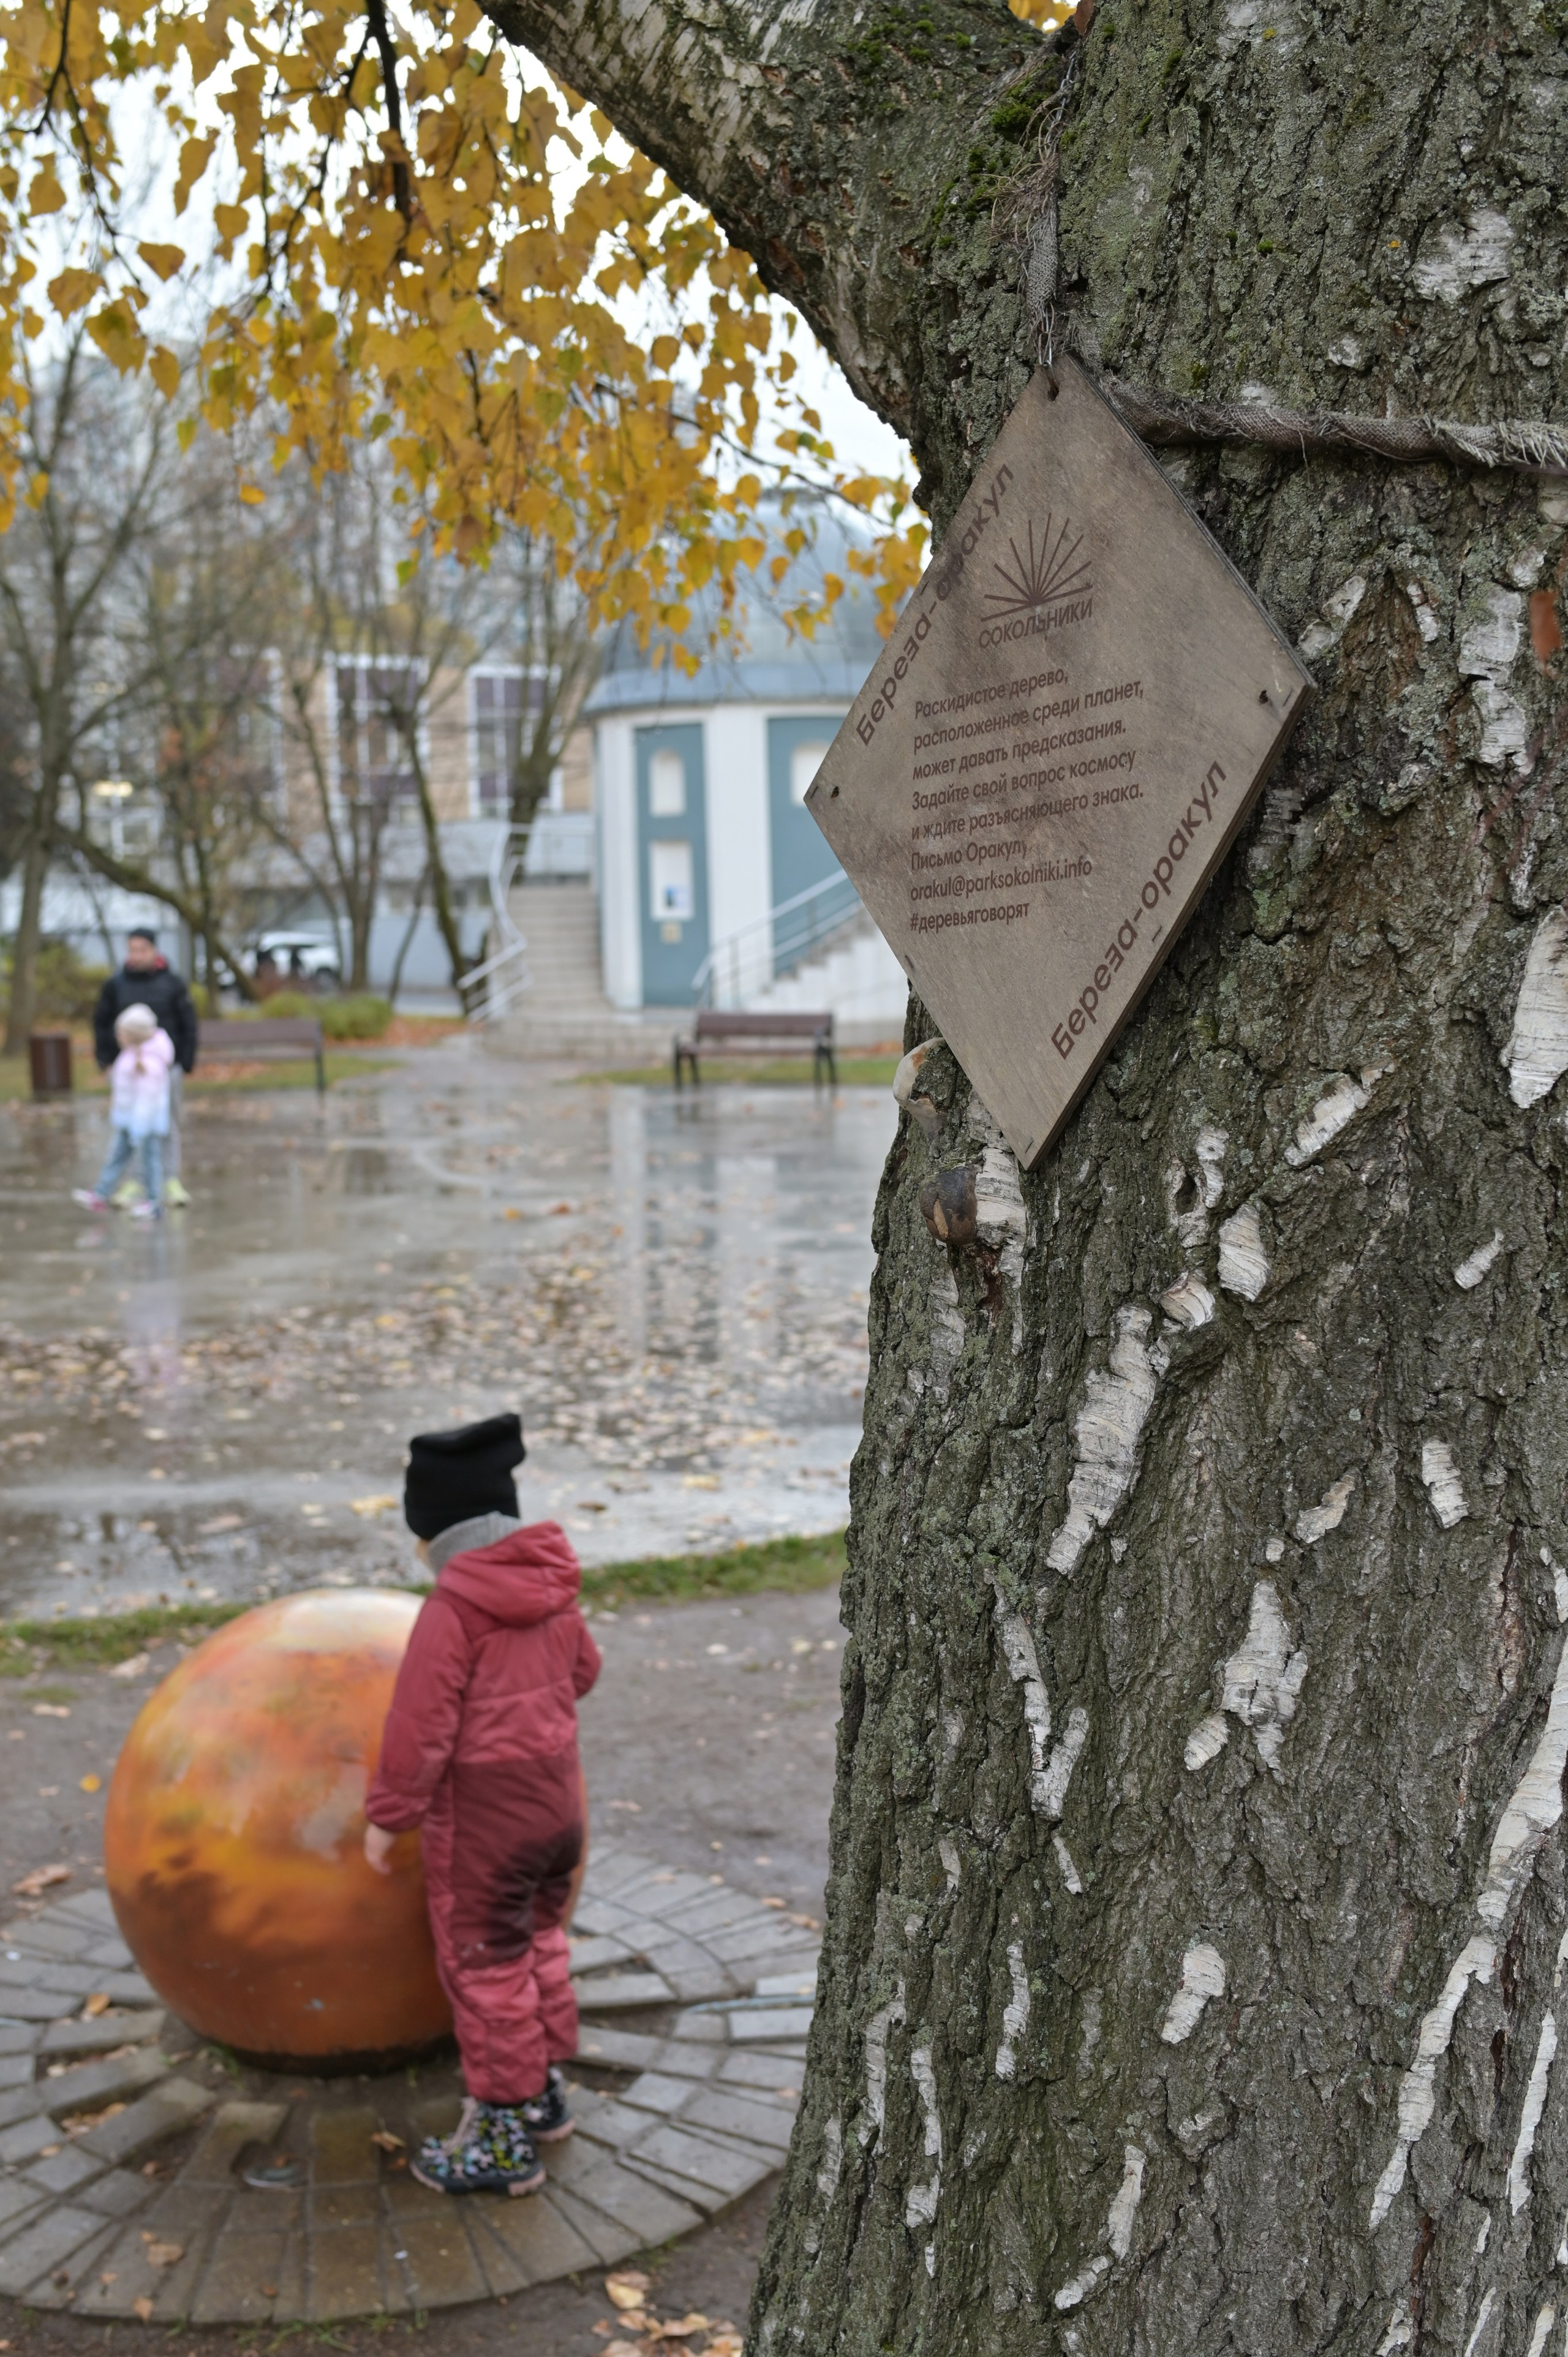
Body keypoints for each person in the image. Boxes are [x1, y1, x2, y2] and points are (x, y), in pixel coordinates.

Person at [362, 1412, 601, 2198]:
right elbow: (584, 1672)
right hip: (557, 1811)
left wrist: (388, 1815)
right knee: (539, 1939)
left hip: (488, 1830)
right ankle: (541, 2092)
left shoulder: (454, 1611)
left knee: (484, 1966)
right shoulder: (555, 1589)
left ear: (436, 1538)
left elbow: (419, 1726)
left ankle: (500, 2134)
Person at [92, 928, 198, 1208]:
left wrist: (184, 1061)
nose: (136, 955)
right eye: (132, 950)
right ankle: (135, 1182)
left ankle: (170, 1179)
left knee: (166, 1125)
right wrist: (106, 1060)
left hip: (165, 1070)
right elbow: (102, 1022)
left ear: (154, 950)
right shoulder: (116, 985)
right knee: (130, 1127)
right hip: (127, 1070)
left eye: (141, 949)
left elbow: (188, 1023)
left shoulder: (172, 984)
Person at [72, 1005, 173, 1219]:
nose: (118, 1037)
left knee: (150, 1161)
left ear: (133, 1035)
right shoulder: (130, 1055)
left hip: (144, 1124)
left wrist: (140, 1126)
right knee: (116, 1156)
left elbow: (148, 1098)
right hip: (129, 1120)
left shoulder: (150, 1063)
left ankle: (155, 1203)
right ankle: (101, 1194)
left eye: (122, 1033)